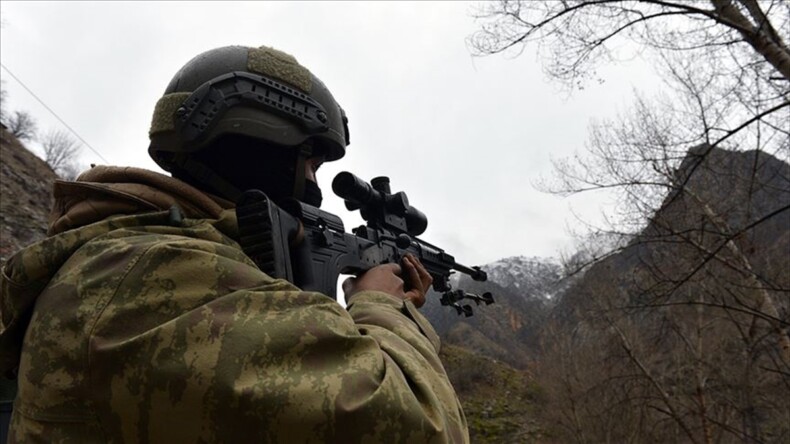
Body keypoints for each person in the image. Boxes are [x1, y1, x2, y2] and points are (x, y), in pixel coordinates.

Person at [0, 45, 468, 443]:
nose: (314, 184)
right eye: (311, 163)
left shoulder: (138, 253)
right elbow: (420, 427)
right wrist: (382, 306)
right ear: (265, 139)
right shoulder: (149, 271)